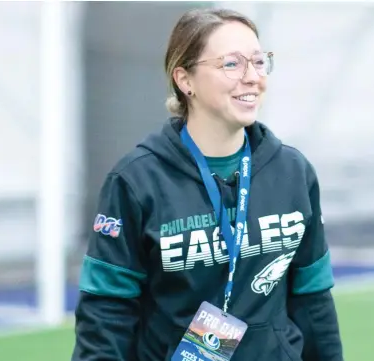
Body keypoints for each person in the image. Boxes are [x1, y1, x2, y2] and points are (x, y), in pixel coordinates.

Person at [72, 7, 343, 361]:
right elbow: (106, 314)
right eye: (231, 64)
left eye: (259, 62)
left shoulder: (293, 172)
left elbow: (313, 298)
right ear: (185, 80)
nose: (251, 77)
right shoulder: (135, 182)